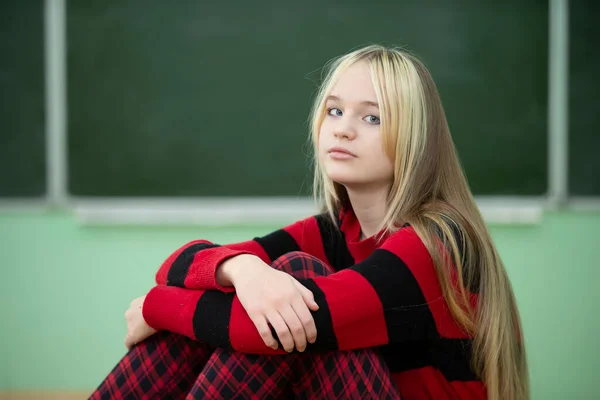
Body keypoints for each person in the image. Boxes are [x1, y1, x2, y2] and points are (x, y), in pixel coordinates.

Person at [91, 44, 529, 400]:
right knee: (265, 296)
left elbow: (257, 332)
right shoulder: (336, 231)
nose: (342, 129)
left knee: (291, 297)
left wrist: (155, 307)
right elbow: (178, 268)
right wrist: (241, 270)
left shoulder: (438, 242)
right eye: (335, 111)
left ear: (413, 137)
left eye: (372, 117)